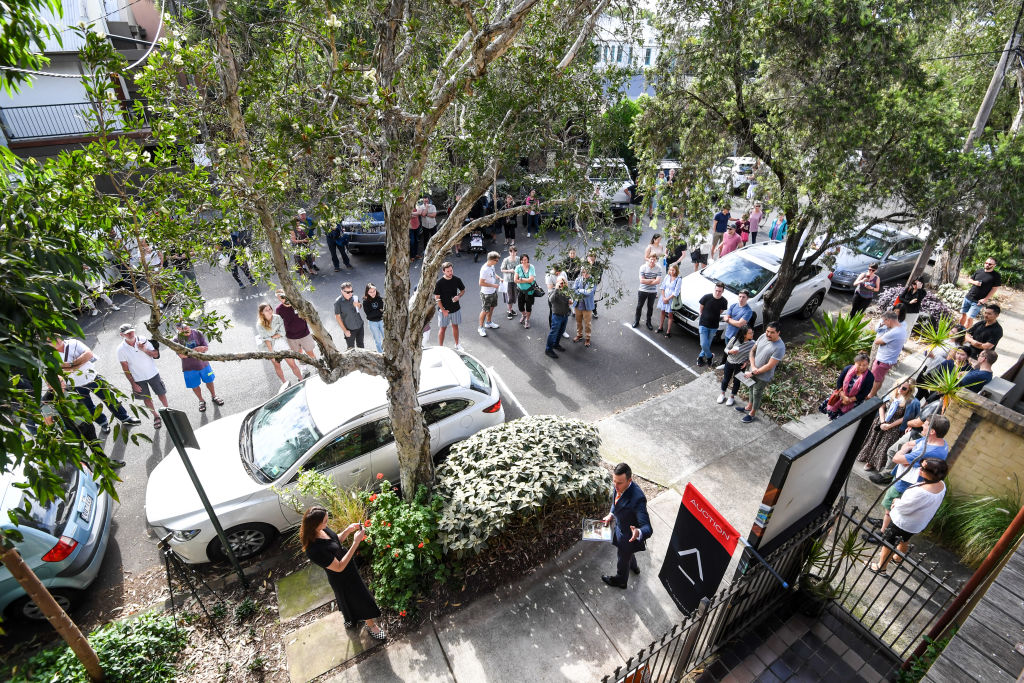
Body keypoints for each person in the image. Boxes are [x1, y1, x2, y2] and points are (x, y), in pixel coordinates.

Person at [301, 507, 385, 640]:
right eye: (325, 521)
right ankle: (371, 625)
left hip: (349, 567)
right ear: (314, 525)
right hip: (341, 577)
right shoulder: (313, 550)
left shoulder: (322, 529)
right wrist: (355, 542)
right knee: (360, 597)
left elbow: (334, 542)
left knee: (352, 598)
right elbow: (339, 567)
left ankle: (351, 618)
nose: (327, 523)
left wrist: (348, 530)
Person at [872, 416, 951, 547]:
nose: (922, 426)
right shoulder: (941, 443)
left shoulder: (924, 451)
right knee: (890, 508)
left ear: (932, 431)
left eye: (925, 424)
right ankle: (884, 524)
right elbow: (909, 444)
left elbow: (897, 458)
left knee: (890, 507)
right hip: (907, 477)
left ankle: (882, 533)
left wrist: (902, 450)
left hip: (905, 483)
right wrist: (906, 448)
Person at [869, 458, 948, 575]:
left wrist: (896, 501)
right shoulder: (941, 485)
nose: (919, 469)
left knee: (889, 542)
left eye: (923, 468)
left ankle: (881, 568)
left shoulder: (921, 492)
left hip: (903, 522)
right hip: (916, 523)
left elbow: (904, 507)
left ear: (931, 473)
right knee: (904, 540)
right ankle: (897, 558)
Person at [51, 336, 140, 434]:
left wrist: (72, 365)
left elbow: (88, 354)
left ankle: (124, 418)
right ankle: (103, 423)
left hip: (92, 377)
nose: (55, 341)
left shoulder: (73, 343)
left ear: (59, 337)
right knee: (88, 406)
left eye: (56, 337)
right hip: (74, 385)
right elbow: (56, 370)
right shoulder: (50, 354)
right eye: (50, 340)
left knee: (110, 398)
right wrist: (78, 363)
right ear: (48, 343)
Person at [601, 463, 652, 589]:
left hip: (629, 537)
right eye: (614, 482)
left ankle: (621, 581)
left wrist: (638, 532)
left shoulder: (638, 499)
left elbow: (647, 527)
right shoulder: (619, 485)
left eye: (619, 483)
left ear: (630, 480)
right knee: (628, 555)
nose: (615, 486)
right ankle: (634, 567)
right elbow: (616, 500)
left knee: (622, 559)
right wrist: (611, 514)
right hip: (621, 528)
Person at [857, 379, 920, 472]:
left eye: (904, 388)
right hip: (882, 420)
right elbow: (882, 406)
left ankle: (872, 463)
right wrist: (882, 422)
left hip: (895, 426)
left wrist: (889, 426)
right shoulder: (892, 392)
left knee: (884, 444)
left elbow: (905, 418)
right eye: (899, 385)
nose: (900, 389)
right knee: (873, 440)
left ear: (909, 390)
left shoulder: (912, 402)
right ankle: (866, 456)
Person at [117, 324, 169, 429]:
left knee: (161, 393)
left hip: (153, 373)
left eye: (132, 331)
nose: (131, 334)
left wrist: (144, 349)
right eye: (127, 333)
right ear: (122, 335)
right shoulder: (120, 349)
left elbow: (155, 354)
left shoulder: (143, 339)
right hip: (138, 379)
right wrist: (133, 384)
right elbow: (125, 369)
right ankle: (156, 416)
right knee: (147, 399)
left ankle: (167, 411)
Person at [736, 322, 786, 424]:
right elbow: (752, 351)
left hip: (763, 376)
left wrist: (754, 372)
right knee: (750, 388)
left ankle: (752, 414)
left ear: (778, 333)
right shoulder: (763, 336)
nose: (768, 334)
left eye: (772, 332)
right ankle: (748, 407)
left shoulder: (780, 347)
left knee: (757, 393)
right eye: (767, 331)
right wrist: (753, 367)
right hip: (752, 370)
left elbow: (769, 366)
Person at [175, 321, 223, 411]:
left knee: (209, 381)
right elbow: (181, 355)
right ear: (178, 329)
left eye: (186, 326)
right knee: (195, 386)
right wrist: (195, 350)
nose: (186, 329)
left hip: (204, 365)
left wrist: (201, 349)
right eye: (183, 328)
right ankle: (201, 401)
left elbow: (206, 347)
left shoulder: (197, 333)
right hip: (189, 368)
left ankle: (214, 396)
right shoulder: (176, 340)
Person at [256, 303, 303, 384]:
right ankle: (285, 383)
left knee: (292, 364)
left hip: (283, 344)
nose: (269, 311)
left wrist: (272, 336)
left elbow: (283, 332)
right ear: (262, 312)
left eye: (270, 309)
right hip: (270, 347)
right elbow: (266, 340)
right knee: (277, 366)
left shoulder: (277, 318)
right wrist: (272, 354)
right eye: (266, 310)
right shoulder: (260, 324)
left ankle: (301, 379)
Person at [823, 353, 875, 420]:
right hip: (840, 395)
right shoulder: (848, 369)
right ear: (855, 363)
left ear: (868, 365)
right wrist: (843, 396)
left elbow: (865, 393)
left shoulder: (870, 377)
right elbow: (839, 382)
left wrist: (849, 400)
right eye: (859, 365)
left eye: (864, 365)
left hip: (854, 401)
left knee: (842, 420)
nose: (862, 367)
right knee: (833, 411)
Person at [869, 310, 908, 398]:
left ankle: (870, 396)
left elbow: (877, 341)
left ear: (889, 320)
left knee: (876, 379)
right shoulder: (902, 328)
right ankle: (874, 394)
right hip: (890, 360)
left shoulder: (893, 332)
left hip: (882, 360)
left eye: (884, 321)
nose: (883, 323)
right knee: (881, 378)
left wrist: (883, 333)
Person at [717, 325, 755, 406]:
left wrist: (747, 362)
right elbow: (726, 349)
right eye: (750, 333)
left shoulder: (752, 343)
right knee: (726, 379)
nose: (752, 334)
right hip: (729, 362)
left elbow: (752, 354)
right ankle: (722, 394)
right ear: (744, 334)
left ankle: (731, 397)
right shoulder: (734, 339)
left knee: (737, 382)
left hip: (740, 365)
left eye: (752, 332)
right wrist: (730, 352)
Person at [276, 289, 317, 361]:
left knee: (310, 352)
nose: (282, 298)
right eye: (280, 297)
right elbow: (279, 323)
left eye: (282, 296)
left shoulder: (296, 304)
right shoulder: (279, 309)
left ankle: (317, 366)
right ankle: (304, 368)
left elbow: (307, 315)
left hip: (304, 334)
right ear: (278, 298)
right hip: (291, 337)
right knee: (299, 355)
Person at [959, 257, 1001, 328]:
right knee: (963, 315)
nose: (987, 265)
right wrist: (975, 282)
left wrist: (985, 299)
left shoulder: (996, 276)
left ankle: (963, 334)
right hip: (968, 297)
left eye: (990, 264)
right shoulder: (979, 271)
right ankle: (958, 330)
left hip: (978, 301)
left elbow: (994, 289)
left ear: (994, 265)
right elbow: (969, 280)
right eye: (986, 263)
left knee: (969, 318)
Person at [434, 261, 466, 350]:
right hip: (444, 311)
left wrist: (458, 296)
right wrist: (443, 310)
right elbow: (437, 298)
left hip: (455, 308)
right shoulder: (439, 283)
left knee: (455, 326)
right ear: (443, 271)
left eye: (451, 270)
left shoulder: (457, 279)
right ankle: (440, 348)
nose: (450, 273)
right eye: (448, 271)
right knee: (442, 329)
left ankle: (457, 344)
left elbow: (463, 290)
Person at [696, 281, 729, 366]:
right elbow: (701, 308)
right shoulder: (707, 297)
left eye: (720, 291)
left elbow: (720, 311)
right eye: (716, 290)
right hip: (703, 323)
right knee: (703, 343)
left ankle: (701, 357)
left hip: (714, 326)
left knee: (708, 343)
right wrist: (702, 314)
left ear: (723, 291)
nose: (718, 293)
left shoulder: (724, 301)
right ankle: (710, 356)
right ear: (714, 289)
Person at [632, 255, 663, 331]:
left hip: (652, 291)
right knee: (639, 306)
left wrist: (647, 281)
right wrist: (652, 280)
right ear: (648, 259)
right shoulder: (643, 267)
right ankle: (637, 321)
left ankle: (648, 322)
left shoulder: (659, 268)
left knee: (650, 307)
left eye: (654, 260)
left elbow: (658, 281)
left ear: (656, 260)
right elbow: (641, 281)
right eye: (651, 259)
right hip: (643, 290)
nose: (652, 261)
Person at [545, 275, 571, 359]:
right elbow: (551, 300)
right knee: (553, 333)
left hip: (565, 315)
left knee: (561, 331)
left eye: (563, 282)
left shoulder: (566, 290)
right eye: (560, 282)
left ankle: (556, 344)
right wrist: (556, 288)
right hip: (557, 316)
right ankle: (548, 350)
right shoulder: (553, 291)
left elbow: (567, 299)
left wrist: (569, 301)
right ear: (556, 283)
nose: (562, 284)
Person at [333, 282, 365, 350]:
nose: (350, 294)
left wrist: (358, 305)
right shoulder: (338, 302)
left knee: (361, 346)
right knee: (351, 349)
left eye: (351, 291)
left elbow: (359, 307)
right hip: (349, 329)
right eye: (348, 292)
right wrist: (345, 331)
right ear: (342, 291)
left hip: (360, 326)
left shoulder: (354, 297)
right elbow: (337, 317)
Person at [478, 251, 502, 337]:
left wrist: (499, 278)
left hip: (493, 291)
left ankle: (488, 322)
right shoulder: (484, 269)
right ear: (491, 260)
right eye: (496, 260)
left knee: (491, 308)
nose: (497, 262)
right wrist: (493, 285)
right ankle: (480, 327)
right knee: (485, 310)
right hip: (486, 293)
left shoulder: (491, 266)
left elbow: (493, 274)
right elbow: (480, 283)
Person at [656, 264, 682, 337]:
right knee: (662, 312)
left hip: (671, 299)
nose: (671, 271)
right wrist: (664, 298)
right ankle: (660, 327)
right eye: (670, 270)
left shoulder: (678, 279)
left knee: (670, 315)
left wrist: (667, 299)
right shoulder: (667, 276)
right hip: (664, 297)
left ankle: (668, 332)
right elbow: (663, 287)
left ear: (676, 270)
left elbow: (676, 292)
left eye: (673, 270)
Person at [573, 267, 596, 348]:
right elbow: (574, 290)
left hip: (587, 306)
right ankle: (579, 335)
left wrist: (579, 290)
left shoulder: (592, 280)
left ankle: (587, 338)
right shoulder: (578, 279)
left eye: (587, 272)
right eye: (583, 272)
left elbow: (589, 293)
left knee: (587, 324)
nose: (585, 274)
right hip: (578, 305)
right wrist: (582, 291)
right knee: (578, 322)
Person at [514, 253, 537, 328]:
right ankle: (524, 315)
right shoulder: (518, 267)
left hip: (529, 291)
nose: (524, 261)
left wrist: (521, 279)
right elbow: (515, 280)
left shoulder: (531, 267)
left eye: (525, 260)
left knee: (528, 306)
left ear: (528, 260)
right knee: (520, 306)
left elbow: (531, 280)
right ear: (520, 261)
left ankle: (527, 320)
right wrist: (526, 280)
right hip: (521, 290)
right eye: (522, 260)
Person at [362, 283, 385, 353]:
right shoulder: (365, 302)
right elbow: (369, 315)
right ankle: (381, 354)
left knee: (386, 338)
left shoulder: (379, 299)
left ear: (376, 290)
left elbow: (383, 310)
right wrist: (379, 311)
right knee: (378, 340)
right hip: (373, 323)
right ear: (367, 292)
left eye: (374, 291)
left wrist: (374, 312)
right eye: (370, 292)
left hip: (382, 321)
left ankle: (388, 352)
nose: (372, 293)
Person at [500, 246, 519, 320]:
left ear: (516, 252)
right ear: (509, 252)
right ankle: (509, 311)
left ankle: (510, 309)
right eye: (511, 251)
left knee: (514, 295)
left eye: (514, 251)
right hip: (507, 280)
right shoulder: (506, 260)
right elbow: (502, 269)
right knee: (509, 296)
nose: (513, 253)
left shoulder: (518, 259)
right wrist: (510, 270)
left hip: (515, 280)